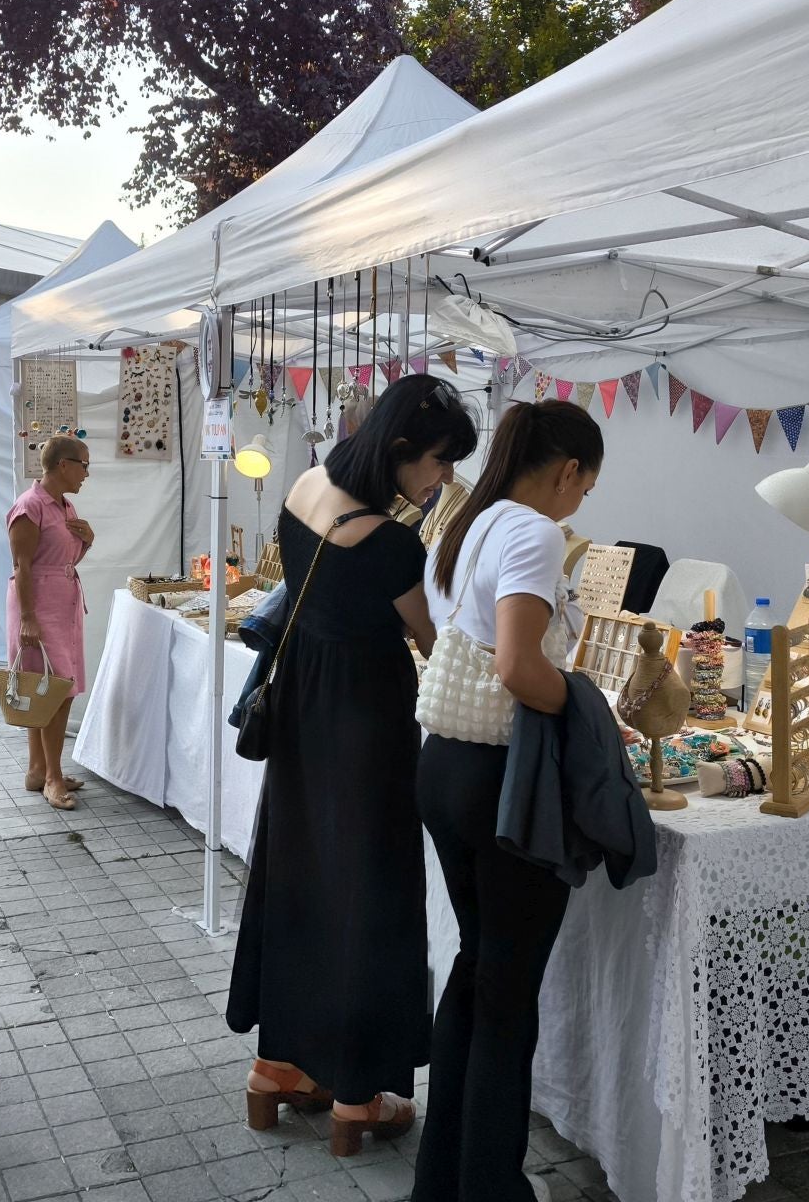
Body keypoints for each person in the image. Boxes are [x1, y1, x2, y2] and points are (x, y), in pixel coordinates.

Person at [227, 374, 479, 1157]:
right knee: (371, 895)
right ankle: (358, 1096)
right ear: (402, 451)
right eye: (438, 464)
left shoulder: (304, 486)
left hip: (303, 710)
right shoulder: (392, 541)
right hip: (367, 724)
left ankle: (279, 1069)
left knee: (298, 878)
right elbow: (434, 646)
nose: (441, 481)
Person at [414, 400, 603, 1202]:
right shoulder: (533, 531)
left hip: (448, 766)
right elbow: (521, 670)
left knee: (480, 967)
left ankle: (446, 1179)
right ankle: (491, 1187)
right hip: (503, 778)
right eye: (585, 486)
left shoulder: (473, 520)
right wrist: (593, 709)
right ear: (567, 471)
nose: (581, 502)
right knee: (508, 992)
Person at [7, 432, 94, 810]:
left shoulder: (65, 507)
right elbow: (22, 566)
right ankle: (53, 778)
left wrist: (88, 540)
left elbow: (66, 559)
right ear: (64, 465)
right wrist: (28, 618)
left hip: (63, 602)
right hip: (38, 604)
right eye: (84, 465)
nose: (87, 474)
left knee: (51, 687)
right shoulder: (30, 506)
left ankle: (38, 769)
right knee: (52, 690)